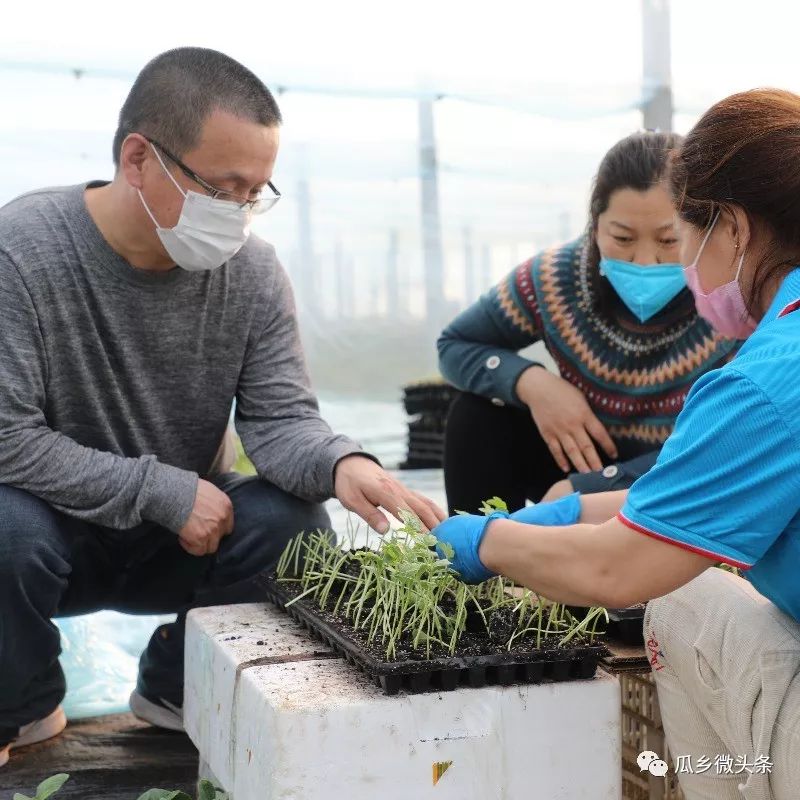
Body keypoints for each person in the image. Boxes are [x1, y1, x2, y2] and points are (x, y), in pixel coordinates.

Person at [0, 47, 444, 765]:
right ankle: (21, 704)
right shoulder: (21, 251)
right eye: (223, 187)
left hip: (185, 541)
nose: (239, 213)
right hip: (52, 538)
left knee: (294, 525)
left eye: (256, 192)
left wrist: (342, 463)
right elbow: (6, 438)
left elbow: (278, 421)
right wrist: (164, 489)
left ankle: (176, 684)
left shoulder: (253, 274)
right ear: (138, 158)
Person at [433, 89, 800, 799]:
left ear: (733, 228)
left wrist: (489, 543)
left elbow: (619, 573)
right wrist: (569, 514)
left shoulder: (765, 378)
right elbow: (691, 501)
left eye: (680, 237)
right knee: (693, 597)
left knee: (677, 597)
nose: (669, 262)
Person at [438, 131, 737, 516]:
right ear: (595, 226)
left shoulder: (729, 294)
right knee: (476, 414)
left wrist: (592, 488)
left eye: (668, 240)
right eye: (622, 238)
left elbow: (729, 440)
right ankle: (479, 557)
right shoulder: (553, 279)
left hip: (684, 478)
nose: (645, 261)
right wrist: (533, 383)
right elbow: (455, 345)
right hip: (581, 451)